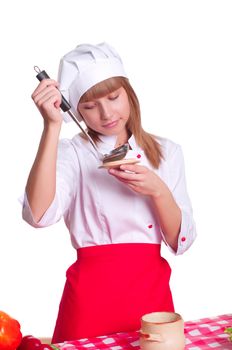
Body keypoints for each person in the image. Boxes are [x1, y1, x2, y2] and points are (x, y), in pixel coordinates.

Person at [22, 42, 196, 343]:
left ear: (129, 92)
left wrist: (158, 191)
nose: (106, 113)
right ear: (74, 110)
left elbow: (181, 241)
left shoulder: (168, 153)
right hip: (89, 301)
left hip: (150, 298)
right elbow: (37, 215)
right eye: (89, 106)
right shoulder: (71, 153)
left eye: (114, 97)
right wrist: (51, 127)